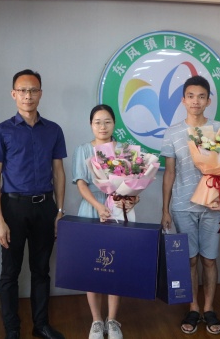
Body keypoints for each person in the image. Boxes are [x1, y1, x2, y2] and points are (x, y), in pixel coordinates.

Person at [0, 69, 67, 339]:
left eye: (33, 90)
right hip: (13, 208)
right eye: (22, 90)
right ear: (13, 94)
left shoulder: (53, 130)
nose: (28, 95)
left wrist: (59, 211)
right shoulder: (1, 131)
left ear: (40, 93)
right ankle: (12, 330)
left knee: (41, 270)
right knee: (10, 273)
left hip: (45, 207)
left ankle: (41, 325)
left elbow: (59, 172)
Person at [161, 75, 220, 335]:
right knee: (189, 260)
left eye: (201, 97)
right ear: (183, 100)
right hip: (182, 205)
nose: (195, 101)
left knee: (209, 260)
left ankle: (209, 309)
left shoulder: (219, 130)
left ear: (208, 100)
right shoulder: (172, 133)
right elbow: (169, 173)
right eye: (191, 96)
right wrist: (165, 209)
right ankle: (193, 307)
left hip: (212, 206)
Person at [72, 104, 137, 339]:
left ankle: (112, 320)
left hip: (117, 211)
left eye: (107, 121)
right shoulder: (82, 150)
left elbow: (133, 183)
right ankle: (97, 321)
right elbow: (81, 183)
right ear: (91, 124)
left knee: (115, 266)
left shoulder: (124, 150)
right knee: (93, 266)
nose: (102, 126)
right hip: (91, 210)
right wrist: (99, 206)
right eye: (98, 122)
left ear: (114, 124)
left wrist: (131, 200)